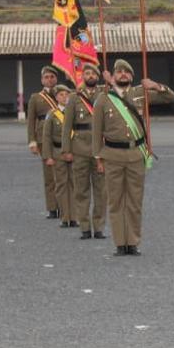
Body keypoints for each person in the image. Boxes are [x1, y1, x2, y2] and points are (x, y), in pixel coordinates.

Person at [91, 59, 174, 256]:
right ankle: (120, 243)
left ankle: (133, 242)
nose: (123, 75)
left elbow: (171, 97)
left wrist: (155, 85)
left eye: (126, 72)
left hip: (136, 155)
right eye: (119, 72)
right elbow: (97, 133)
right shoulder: (103, 99)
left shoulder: (141, 94)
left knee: (135, 201)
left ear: (132, 76)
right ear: (113, 76)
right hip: (112, 156)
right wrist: (98, 158)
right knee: (115, 201)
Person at [61, 62, 107, 240]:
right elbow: (66, 126)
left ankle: (99, 226)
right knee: (81, 190)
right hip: (79, 147)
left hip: (100, 149)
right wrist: (66, 149)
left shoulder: (104, 95)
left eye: (93, 74)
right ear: (83, 77)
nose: (90, 76)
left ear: (97, 77)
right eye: (87, 74)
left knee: (101, 191)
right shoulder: (74, 98)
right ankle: (85, 227)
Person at [26, 65, 62, 219]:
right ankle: (52, 208)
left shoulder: (64, 95)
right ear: (42, 80)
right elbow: (31, 120)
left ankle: (66, 206)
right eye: (46, 77)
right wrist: (32, 141)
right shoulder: (36, 98)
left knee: (65, 175)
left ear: (56, 78)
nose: (49, 79)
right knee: (49, 176)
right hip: (43, 139)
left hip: (62, 137)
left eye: (52, 77)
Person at [40, 84, 76, 228]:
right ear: (56, 97)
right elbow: (46, 136)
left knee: (74, 185)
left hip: (73, 152)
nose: (64, 97)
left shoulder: (74, 113)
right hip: (58, 152)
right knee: (61, 185)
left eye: (67, 94)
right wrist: (48, 156)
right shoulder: (52, 114)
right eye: (61, 95)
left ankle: (74, 217)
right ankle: (64, 216)